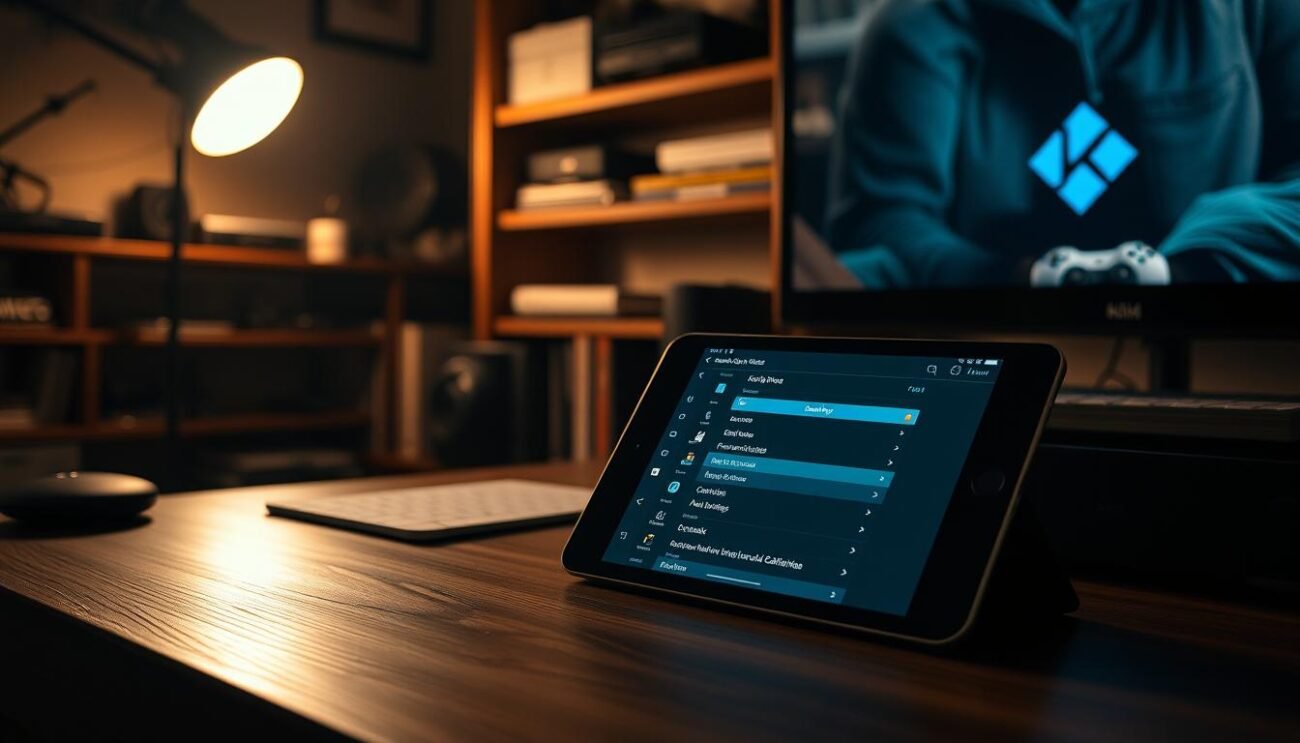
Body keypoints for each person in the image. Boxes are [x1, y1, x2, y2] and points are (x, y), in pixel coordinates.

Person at [824, 0, 1300, 288]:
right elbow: (881, 223)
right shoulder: (910, 28)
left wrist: (1193, 268)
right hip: (995, 352)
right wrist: (1012, 280)